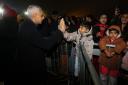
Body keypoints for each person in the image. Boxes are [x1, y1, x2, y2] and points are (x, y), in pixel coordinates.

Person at [15, 5, 66, 85]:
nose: (44, 17)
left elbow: (40, 40)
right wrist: (60, 31)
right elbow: (46, 44)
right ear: (34, 15)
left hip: (29, 66)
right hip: (31, 69)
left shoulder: (27, 25)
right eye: (41, 15)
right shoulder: (28, 27)